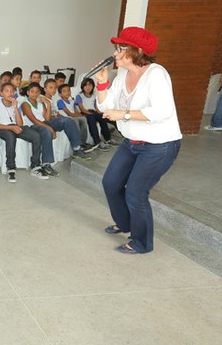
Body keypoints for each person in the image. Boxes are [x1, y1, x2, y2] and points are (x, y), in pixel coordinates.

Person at [96, 26, 182, 254]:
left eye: (121, 48)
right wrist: (102, 84)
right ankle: (124, 223)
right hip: (132, 142)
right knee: (111, 183)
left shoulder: (156, 74)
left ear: (138, 51)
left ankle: (142, 243)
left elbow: (162, 111)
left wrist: (123, 115)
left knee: (135, 193)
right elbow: (105, 108)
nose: (115, 53)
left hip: (159, 146)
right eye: (116, 48)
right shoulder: (122, 75)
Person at [0, 81, 47, 182]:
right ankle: (11, 168)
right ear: (1, 93)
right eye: (7, 91)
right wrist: (11, 128)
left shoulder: (16, 104)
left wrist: (15, 108)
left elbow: (20, 124)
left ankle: (35, 166)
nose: (10, 93)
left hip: (16, 126)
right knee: (10, 137)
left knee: (36, 136)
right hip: (2, 128)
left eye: (12, 91)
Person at [76, 78, 115, 150]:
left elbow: (95, 107)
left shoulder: (94, 95)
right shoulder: (79, 96)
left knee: (102, 117)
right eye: (86, 85)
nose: (88, 87)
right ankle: (97, 142)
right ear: (82, 86)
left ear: (93, 86)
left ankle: (108, 139)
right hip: (85, 113)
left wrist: (101, 113)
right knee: (92, 118)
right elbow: (82, 109)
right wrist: (92, 114)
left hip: (93, 112)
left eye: (90, 85)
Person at [56, 83, 91, 150]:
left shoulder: (72, 101)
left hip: (73, 117)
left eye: (68, 90)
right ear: (60, 94)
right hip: (67, 119)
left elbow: (76, 112)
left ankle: (83, 142)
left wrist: (80, 115)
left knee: (84, 118)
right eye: (64, 91)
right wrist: (78, 115)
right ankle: (78, 143)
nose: (67, 92)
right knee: (76, 120)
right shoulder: (60, 102)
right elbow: (69, 114)